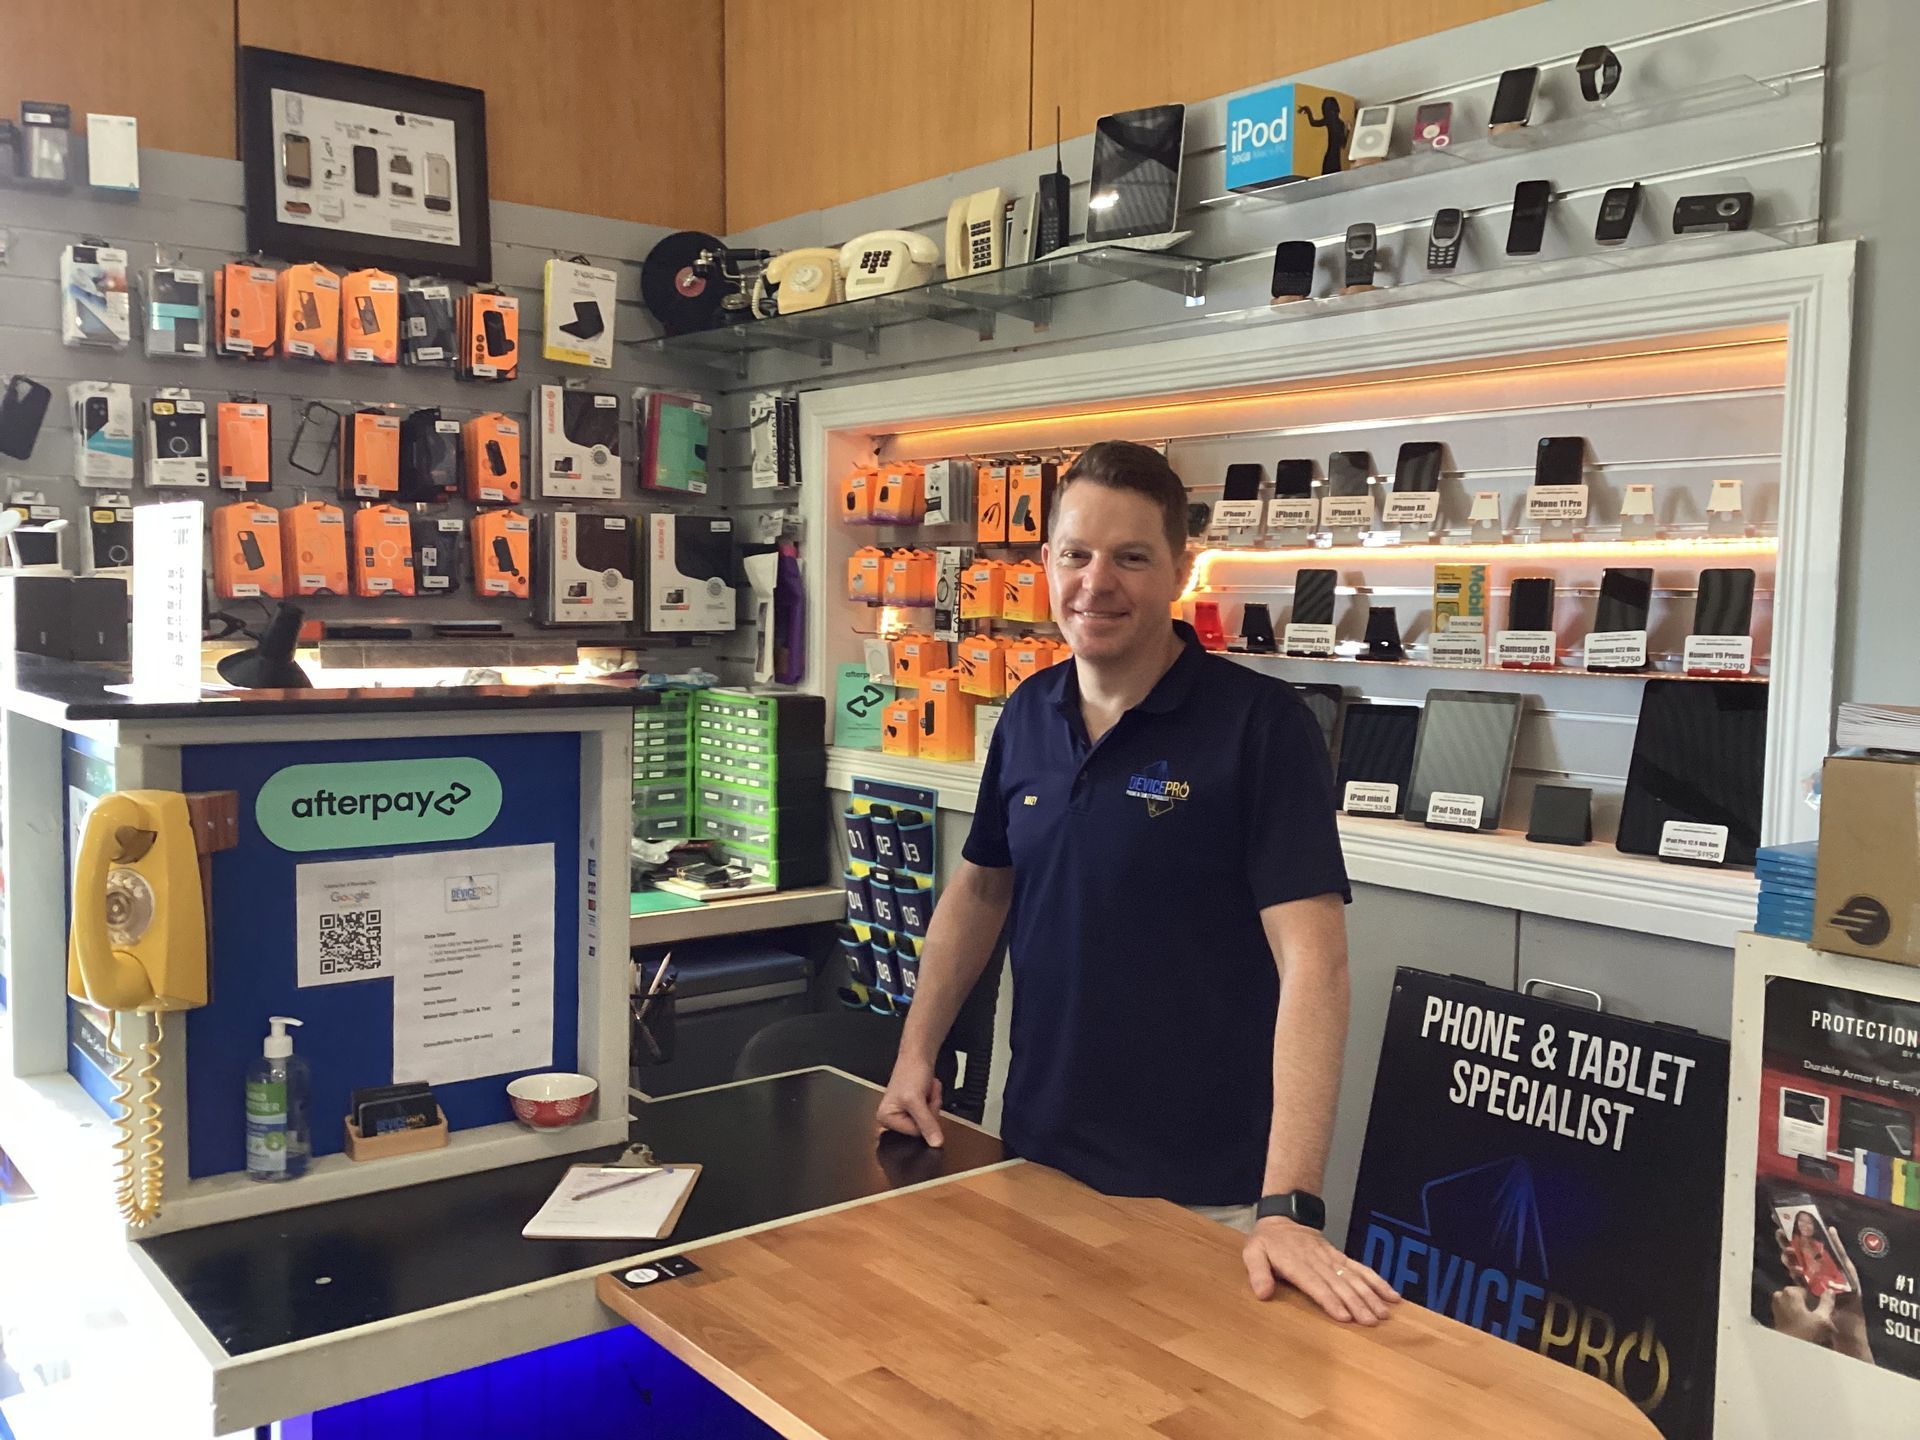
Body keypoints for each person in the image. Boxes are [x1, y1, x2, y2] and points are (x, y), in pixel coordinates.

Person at [877, 440, 1398, 1325]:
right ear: (1047, 563)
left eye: (1130, 557)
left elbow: (1317, 965)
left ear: (1180, 571)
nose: (1097, 584)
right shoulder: (1027, 713)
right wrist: (914, 1053)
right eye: (1076, 555)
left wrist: (1288, 1204)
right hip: (1035, 1157)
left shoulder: (1261, 727)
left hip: (1205, 1193)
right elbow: (981, 891)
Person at [1787, 1209, 1850, 1298]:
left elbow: (1837, 1275)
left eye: (1809, 1223)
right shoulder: (1791, 1245)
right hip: (1810, 1292)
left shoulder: (1820, 1247)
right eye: (1801, 1221)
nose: (1805, 1225)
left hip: (1832, 1291)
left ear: (1815, 1226)